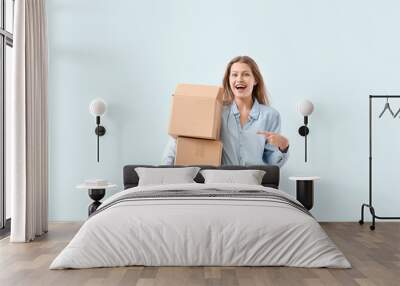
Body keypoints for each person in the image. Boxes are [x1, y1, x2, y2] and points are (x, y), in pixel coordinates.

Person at [163, 56, 289, 167]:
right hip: (222, 182)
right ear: (229, 80)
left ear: (255, 80)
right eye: (234, 74)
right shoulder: (217, 111)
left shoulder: (270, 115)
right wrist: (166, 170)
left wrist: (283, 147)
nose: (239, 79)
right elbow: (181, 135)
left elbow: (272, 163)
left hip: (254, 182)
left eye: (246, 74)